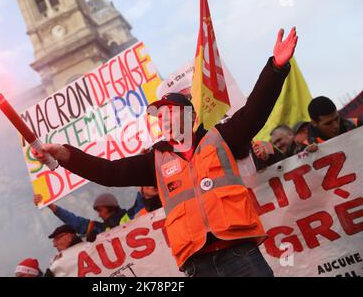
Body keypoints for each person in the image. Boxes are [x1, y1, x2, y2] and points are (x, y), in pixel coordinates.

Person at [32, 27, 298, 277]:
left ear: (191, 117)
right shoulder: (155, 161)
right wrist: (64, 155)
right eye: (160, 117)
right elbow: (108, 172)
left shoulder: (222, 139)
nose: (165, 120)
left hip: (240, 253)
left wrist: (275, 68)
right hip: (196, 265)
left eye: (171, 113)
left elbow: (255, 110)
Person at [34, 192, 144, 242]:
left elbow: (143, 196)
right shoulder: (99, 229)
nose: (99, 215)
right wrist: (51, 206)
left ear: (111, 207)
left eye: (100, 210)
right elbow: (76, 222)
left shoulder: (132, 215)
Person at [252, 124, 317, 170]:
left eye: (279, 140)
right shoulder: (285, 157)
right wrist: (266, 157)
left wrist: (312, 150)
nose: (278, 145)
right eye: (275, 143)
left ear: (290, 134)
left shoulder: (307, 143)